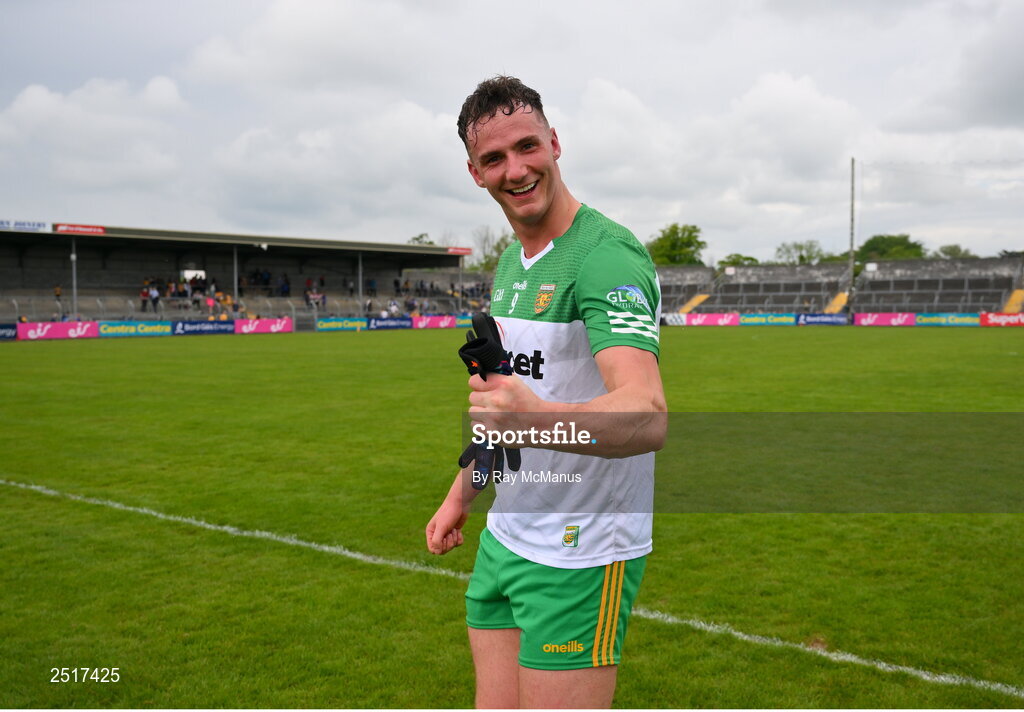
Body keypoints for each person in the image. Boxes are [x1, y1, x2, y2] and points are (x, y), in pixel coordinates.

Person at [425, 76, 666, 709]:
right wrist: (461, 497)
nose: (517, 168)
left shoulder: (605, 257)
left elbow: (647, 415)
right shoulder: (511, 264)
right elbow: (503, 410)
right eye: (494, 159)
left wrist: (534, 419)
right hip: (507, 536)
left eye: (528, 146)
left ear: (555, 143)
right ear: (475, 174)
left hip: (580, 551)